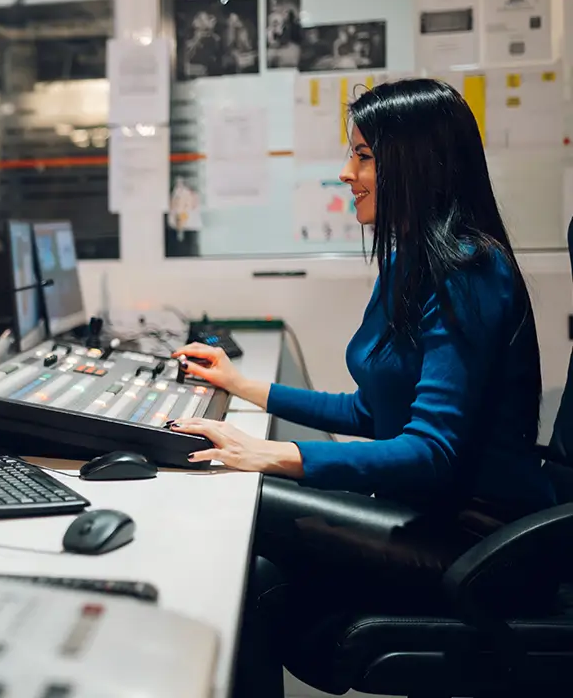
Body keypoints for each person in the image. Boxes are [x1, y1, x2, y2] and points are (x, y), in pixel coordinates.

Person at [168, 78, 556, 697]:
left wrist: (276, 456)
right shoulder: (411, 262)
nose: (345, 173)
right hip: (433, 515)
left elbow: (432, 452)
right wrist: (244, 387)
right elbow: (372, 411)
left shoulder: (471, 271)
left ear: (418, 163)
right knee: (257, 549)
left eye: (364, 156)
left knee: (245, 501)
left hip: (487, 540)